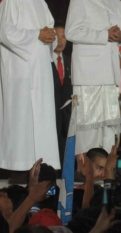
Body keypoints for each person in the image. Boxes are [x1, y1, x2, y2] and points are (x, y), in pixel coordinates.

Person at [0, 0, 59, 170]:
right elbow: (5, 34)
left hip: (40, 72)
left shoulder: (40, 3)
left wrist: (51, 36)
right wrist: (36, 34)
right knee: (20, 123)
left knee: (40, 122)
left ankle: (41, 166)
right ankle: (17, 168)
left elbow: (49, 30)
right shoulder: (12, 0)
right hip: (21, 75)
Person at [65, 0, 121, 156]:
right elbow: (71, 32)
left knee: (108, 129)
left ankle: (105, 173)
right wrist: (104, 35)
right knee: (88, 128)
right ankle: (85, 174)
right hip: (88, 76)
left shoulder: (115, 1)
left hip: (110, 76)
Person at [51, 21, 72, 167]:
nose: (60, 40)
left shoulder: (72, 62)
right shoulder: (43, 61)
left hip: (67, 116)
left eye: (63, 36)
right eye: (56, 36)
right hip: (49, 113)